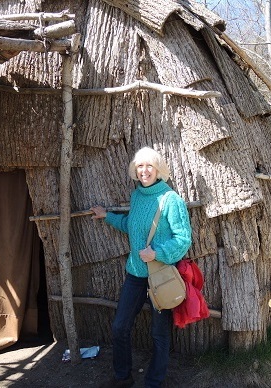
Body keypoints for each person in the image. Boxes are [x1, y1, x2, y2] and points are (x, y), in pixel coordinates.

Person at [91, 147, 192, 388]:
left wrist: (157, 252)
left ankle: (153, 382)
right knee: (120, 327)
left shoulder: (171, 200)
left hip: (160, 278)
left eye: (149, 166)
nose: (144, 170)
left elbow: (183, 239)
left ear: (158, 170)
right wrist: (108, 216)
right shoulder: (137, 196)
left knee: (159, 333)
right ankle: (122, 376)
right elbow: (132, 226)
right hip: (135, 275)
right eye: (139, 166)